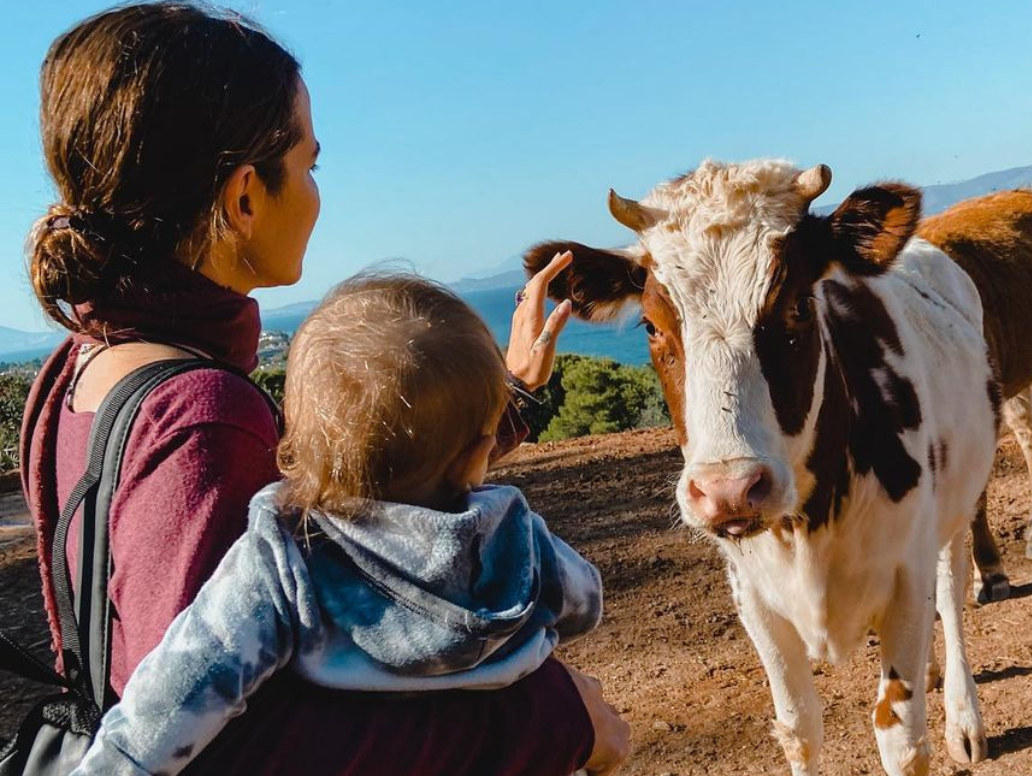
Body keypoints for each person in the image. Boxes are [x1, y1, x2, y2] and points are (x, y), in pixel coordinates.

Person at [21, 3, 631, 775]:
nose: (316, 191)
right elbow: (220, 749)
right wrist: (549, 720)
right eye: (310, 165)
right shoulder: (202, 416)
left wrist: (501, 399)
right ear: (245, 198)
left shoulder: (79, 368)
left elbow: (351, 509)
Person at [71, 274, 605, 775]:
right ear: (477, 457)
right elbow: (584, 602)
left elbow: (179, 694)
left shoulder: (284, 557)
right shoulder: (519, 537)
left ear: (295, 443)